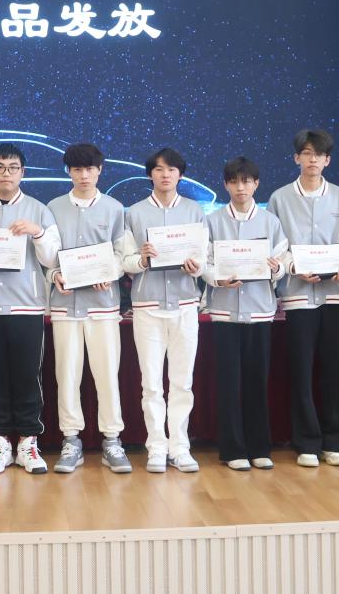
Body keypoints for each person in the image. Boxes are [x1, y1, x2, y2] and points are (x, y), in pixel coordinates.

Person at [0, 143, 60, 474]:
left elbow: (51, 258)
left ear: (23, 172)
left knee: (27, 376)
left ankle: (28, 443)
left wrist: (38, 233)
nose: (6, 173)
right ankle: (0, 442)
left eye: (13, 167)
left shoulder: (39, 210)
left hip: (26, 308)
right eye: (0, 167)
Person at [267, 129, 339, 468]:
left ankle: (334, 441)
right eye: (306, 153)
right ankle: (306, 442)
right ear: (296, 158)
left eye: (319, 154)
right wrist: (293, 267)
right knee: (301, 371)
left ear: (327, 160)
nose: (312, 159)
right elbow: (276, 246)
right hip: (297, 295)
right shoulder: (279, 198)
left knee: (334, 369)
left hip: (333, 295)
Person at [46, 143, 134, 475]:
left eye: (90, 169)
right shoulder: (53, 208)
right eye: (77, 169)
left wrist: (109, 273)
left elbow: (121, 254)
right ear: (68, 172)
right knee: (67, 375)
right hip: (65, 306)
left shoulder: (115, 208)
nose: (84, 175)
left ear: (100, 170)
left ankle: (112, 439)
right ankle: (71, 440)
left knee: (107, 374)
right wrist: (55, 275)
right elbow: (47, 257)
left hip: (103, 307)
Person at [122, 148, 206, 473]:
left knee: (182, 382)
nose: (165, 174)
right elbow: (126, 261)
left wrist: (196, 266)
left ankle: (180, 447)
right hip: (148, 307)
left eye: (171, 169)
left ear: (180, 175)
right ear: (150, 175)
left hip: (185, 306)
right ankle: (156, 447)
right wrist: (142, 259)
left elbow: (203, 260)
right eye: (159, 169)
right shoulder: (134, 213)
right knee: (152, 384)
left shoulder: (195, 211)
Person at [202, 156, 288, 471]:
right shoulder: (211, 221)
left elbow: (283, 260)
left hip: (260, 311)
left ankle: (259, 447)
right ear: (226, 185)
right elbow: (204, 262)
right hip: (224, 312)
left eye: (247, 181)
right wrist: (217, 278)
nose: (241, 187)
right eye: (234, 182)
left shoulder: (270, 222)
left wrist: (276, 268)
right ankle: (233, 449)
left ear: (256, 184)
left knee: (256, 381)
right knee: (228, 383)